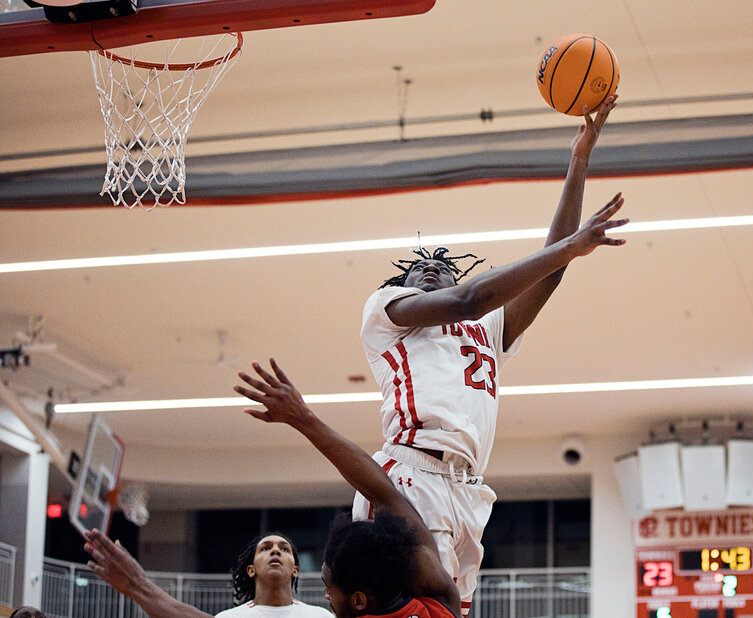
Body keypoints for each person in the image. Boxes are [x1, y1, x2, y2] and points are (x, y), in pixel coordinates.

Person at [355, 95, 625, 615]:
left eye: (443, 267)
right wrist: (571, 246)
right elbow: (469, 296)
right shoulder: (386, 314)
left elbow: (547, 273)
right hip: (411, 473)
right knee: (405, 609)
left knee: (451, 612)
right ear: (402, 286)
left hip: (468, 488)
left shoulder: (487, 325)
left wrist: (579, 162)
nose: (431, 270)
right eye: (418, 271)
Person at [235, 358, 461, 618]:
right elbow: (386, 497)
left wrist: (304, 419)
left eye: (329, 589)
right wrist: (303, 420)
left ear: (359, 600)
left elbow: (384, 497)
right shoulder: (439, 603)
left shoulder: (443, 604)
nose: (327, 597)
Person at [83, 528, 332, 617]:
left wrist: (138, 586)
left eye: (284, 549)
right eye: (265, 548)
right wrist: (135, 586)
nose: (275, 551)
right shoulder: (230, 617)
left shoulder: (321, 616)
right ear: (251, 569)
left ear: (296, 570)